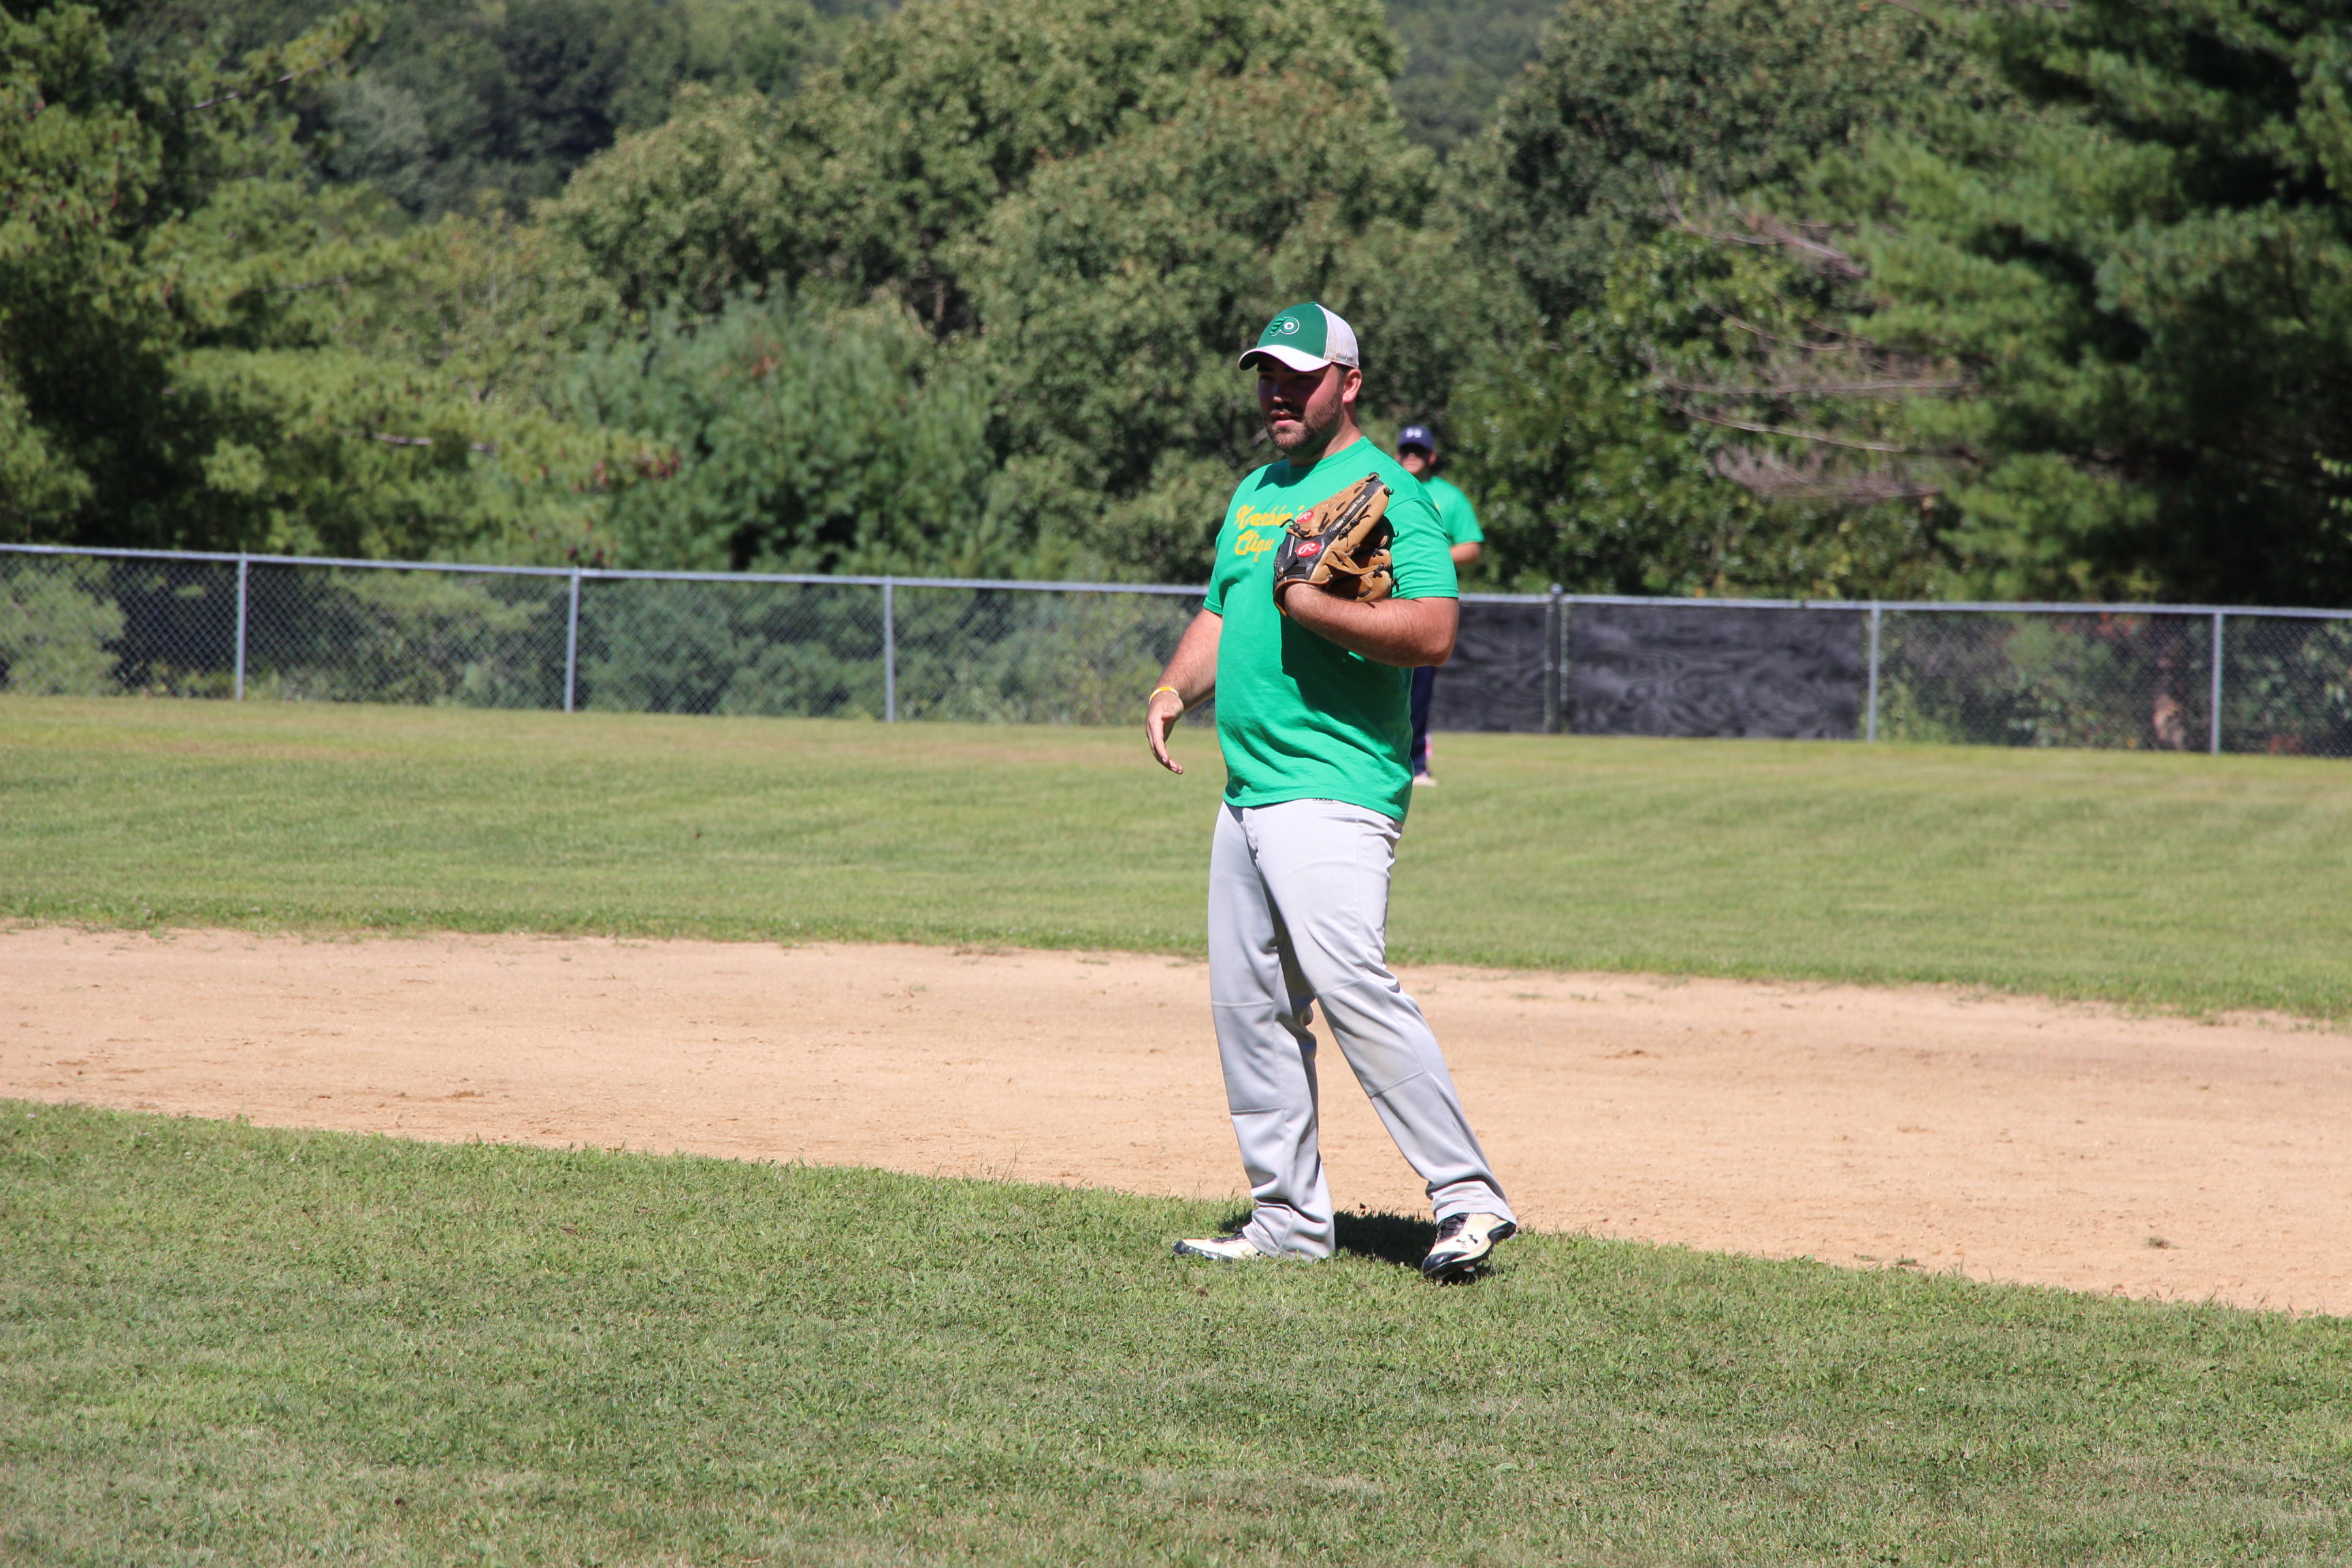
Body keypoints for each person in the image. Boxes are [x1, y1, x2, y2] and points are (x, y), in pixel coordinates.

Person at [1142, 302, 1516, 1283]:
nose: (1278, 392)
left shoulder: (1388, 492)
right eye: (1268, 374)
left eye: (1299, 377)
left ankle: (1469, 1198)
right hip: (1247, 790)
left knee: (1350, 984)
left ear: (1348, 384)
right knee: (1252, 1009)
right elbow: (1221, 612)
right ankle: (1288, 1221)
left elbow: (1435, 630)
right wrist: (1174, 689)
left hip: (1336, 784)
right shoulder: (1256, 490)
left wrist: (1312, 605)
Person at [1396, 425, 1483, 786]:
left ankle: (1417, 762)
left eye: (1418, 450)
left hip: (1426, 602)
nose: (1411, 456)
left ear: (1431, 457)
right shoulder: (1385, 487)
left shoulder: (1449, 497)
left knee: (1419, 685)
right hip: (1382, 600)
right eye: (1406, 449)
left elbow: (1472, 547)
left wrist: (1428, 556)